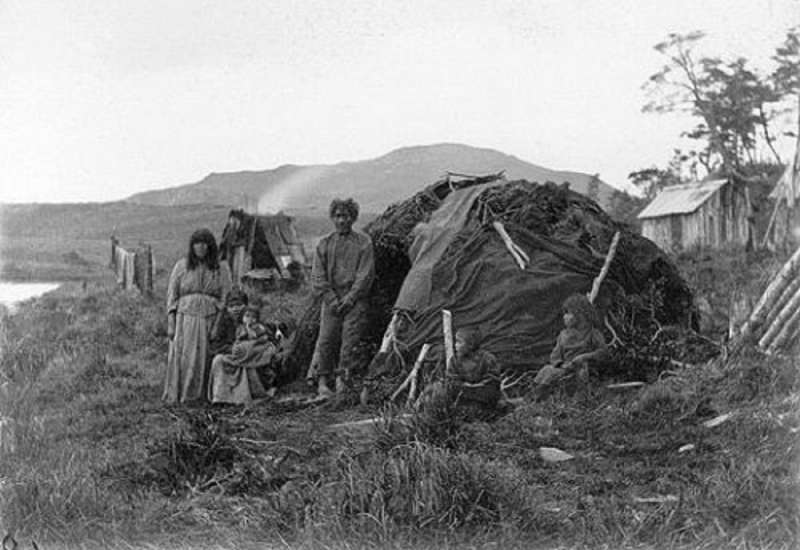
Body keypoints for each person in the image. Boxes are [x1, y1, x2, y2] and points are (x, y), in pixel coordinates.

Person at [310, 198, 375, 398]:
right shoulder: (324, 244)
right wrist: (331, 299)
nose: (341, 220)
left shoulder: (364, 243)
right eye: (337, 216)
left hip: (354, 300)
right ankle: (322, 381)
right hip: (331, 299)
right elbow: (318, 277)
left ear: (353, 218)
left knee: (350, 340)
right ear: (332, 217)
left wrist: (350, 298)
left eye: (345, 216)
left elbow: (366, 275)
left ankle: (342, 381)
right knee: (326, 339)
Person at [163, 228, 232, 404]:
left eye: (204, 244)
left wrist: (217, 324)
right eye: (197, 243)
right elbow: (172, 295)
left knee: (203, 358)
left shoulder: (221, 268)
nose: (200, 247)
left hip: (208, 318)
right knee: (184, 357)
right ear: (192, 246)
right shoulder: (181, 266)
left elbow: (225, 298)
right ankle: (181, 395)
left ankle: (199, 396)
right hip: (184, 319)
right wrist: (171, 322)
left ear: (210, 247)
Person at [532, 293, 607, 395]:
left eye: (568, 313)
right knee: (546, 370)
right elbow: (555, 356)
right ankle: (535, 395)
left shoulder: (592, 333)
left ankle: (581, 395)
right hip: (566, 368)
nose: (564, 317)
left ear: (580, 315)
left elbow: (603, 351)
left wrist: (584, 357)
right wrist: (562, 364)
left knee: (559, 374)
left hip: (582, 369)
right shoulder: (563, 335)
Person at [418, 328, 502, 419]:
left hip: (481, 399)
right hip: (462, 398)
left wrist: (476, 387)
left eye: (459, 342)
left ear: (470, 344)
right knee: (438, 389)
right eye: (455, 342)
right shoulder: (455, 360)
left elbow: (493, 381)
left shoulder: (487, 359)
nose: (455, 345)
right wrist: (463, 386)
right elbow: (451, 380)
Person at [208, 305, 278, 405]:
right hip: (237, 353)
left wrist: (250, 333)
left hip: (253, 353)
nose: (250, 319)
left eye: (253, 317)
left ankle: (244, 396)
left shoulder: (258, 327)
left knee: (247, 365)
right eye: (247, 316)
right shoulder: (225, 322)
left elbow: (262, 340)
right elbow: (222, 343)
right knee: (219, 360)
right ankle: (222, 396)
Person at [209, 288, 248, 357]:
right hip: (229, 355)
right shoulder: (222, 322)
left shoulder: (252, 318)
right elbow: (214, 345)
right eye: (231, 306)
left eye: (239, 305)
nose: (235, 309)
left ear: (246, 305)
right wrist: (230, 349)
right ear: (227, 308)